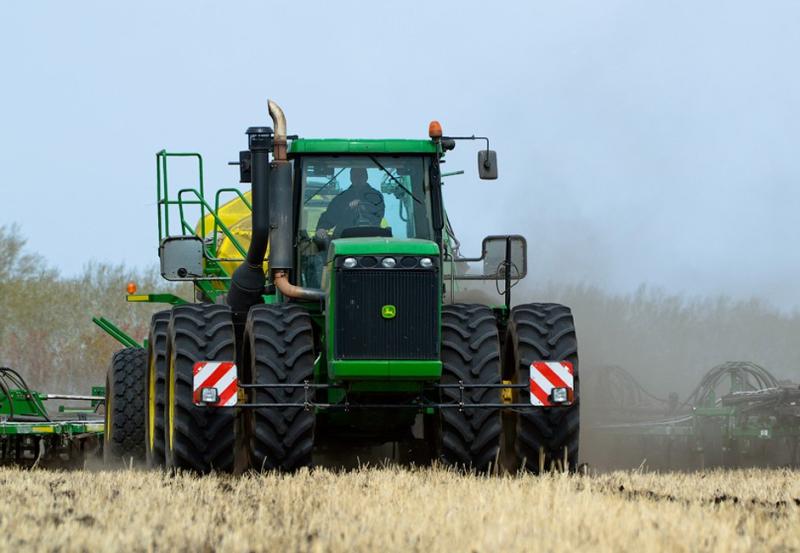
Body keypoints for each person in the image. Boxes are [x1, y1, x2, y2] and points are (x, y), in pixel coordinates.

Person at [315, 167, 385, 239]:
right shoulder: (341, 198)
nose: (358, 179)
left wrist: (362, 205)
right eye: (355, 176)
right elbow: (330, 216)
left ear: (366, 177)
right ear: (351, 178)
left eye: (361, 176)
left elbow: (378, 213)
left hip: (371, 239)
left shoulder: (375, 196)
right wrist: (322, 228)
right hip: (343, 239)